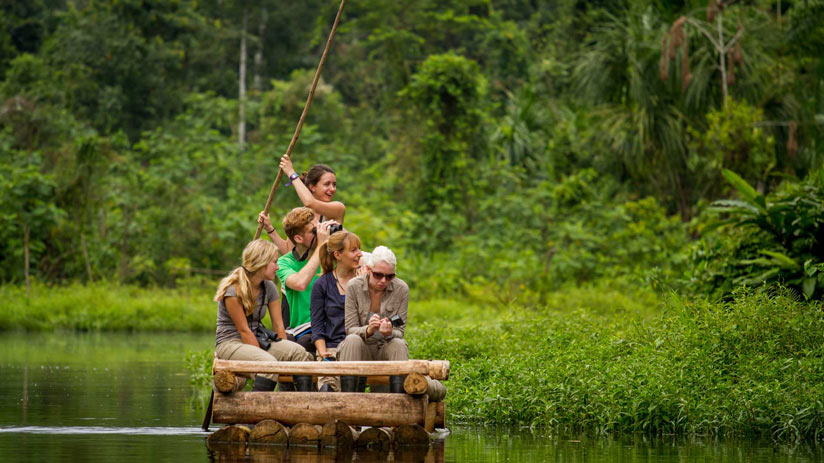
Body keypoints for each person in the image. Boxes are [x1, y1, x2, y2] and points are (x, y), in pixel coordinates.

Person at [213, 240, 314, 392]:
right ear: (262, 263)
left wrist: (286, 352)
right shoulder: (233, 290)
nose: (277, 267)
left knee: (299, 353)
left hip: (258, 338)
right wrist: (262, 358)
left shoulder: (269, 287)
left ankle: (304, 404)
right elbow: (244, 330)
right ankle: (257, 409)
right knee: (268, 364)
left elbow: (279, 326)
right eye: (274, 262)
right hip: (231, 342)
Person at [337, 246, 409, 393]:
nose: (384, 280)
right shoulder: (354, 286)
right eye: (378, 275)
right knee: (352, 340)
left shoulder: (401, 289)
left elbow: (400, 331)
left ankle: (398, 403)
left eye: (389, 277)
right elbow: (350, 328)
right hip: (361, 347)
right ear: (368, 270)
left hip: (385, 347)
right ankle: (348, 402)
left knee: (399, 344)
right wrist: (368, 330)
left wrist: (388, 333)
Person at [276, 206, 338, 354]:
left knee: (305, 344)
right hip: (299, 328)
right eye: (314, 231)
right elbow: (299, 283)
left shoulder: (332, 254)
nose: (319, 234)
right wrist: (320, 247)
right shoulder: (284, 262)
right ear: (298, 238)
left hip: (325, 326)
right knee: (286, 343)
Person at [310, 231, 365, 392]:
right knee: (328, 386)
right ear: (338, 255)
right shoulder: (321, 284)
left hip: (359, 347)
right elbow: (317, 324)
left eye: (359, 249)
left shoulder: (367, 281)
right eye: (354, 250)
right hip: (332, 348)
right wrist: (322, 352)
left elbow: (369, 319)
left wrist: (363, 287)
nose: (360, 254)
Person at [279, 154, 345, 225]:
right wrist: (270, 229)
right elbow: (294, 236)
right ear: (312, 187)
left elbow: (309, 203)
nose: (332, 189)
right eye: (327, 184)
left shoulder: (338, 208)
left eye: (334, 185)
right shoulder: (300, 215)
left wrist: (291, 173)